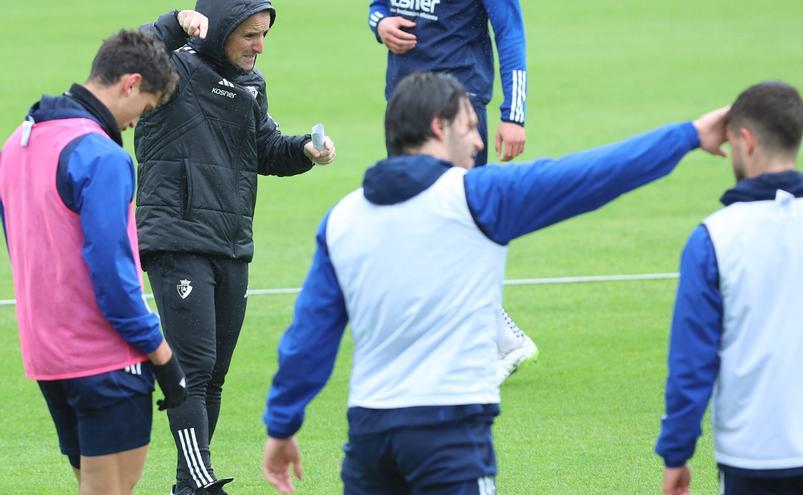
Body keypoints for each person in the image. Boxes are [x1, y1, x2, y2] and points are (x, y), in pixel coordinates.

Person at [260, 72, 729, 494]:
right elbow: (593, 175)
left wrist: (282, 425)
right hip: (450, 438)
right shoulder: (478, 198)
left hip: (368, 440)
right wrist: (687, 136)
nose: (479, 143)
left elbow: (309, 336)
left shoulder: (343, 218)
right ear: (439, 128)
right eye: (470, 127)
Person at [136, 2, 337, 494]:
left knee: (215, 374)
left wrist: (303, 152)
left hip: (231, 242)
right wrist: (173, 22)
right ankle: (199, 484)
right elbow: (127, 60)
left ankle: (189, 486)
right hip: (176, 238)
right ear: (220, 29)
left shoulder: (251, 85)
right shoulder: (172, 67)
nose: (258, 46)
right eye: (249, 35)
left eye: (264, 35)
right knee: (193, 367)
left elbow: (263, 147)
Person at [655, 81, 803, 495]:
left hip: (751, 460)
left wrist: (676, 453)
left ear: (745, 140)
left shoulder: (714, 237)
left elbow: (692, 361)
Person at [0, 30, 187, 495]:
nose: (132, 124)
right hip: (104, 358)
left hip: (46, 355)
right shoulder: (101, 156)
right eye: (143, 109)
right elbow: (113, 275)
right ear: (131, 82)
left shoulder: (16, 146)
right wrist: (162, 355)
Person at [368, 0, 535, 384]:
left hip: (457, 110)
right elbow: (378, 7)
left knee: (455, 228)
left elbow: (510, 30)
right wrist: (380, 25)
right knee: (413, 229)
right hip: (404, 106)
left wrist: (514, 115)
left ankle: (501, 340)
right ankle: (464, 339)